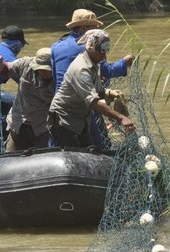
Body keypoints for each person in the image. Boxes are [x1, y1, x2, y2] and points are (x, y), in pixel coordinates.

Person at [51, 9, 134, 149]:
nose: (104, 56)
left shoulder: (57, 46)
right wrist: (121, 117)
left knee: (88, 149)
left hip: (80, 107)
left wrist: (107, 92)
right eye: (94, 26)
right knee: (83, 150)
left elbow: (55, 78)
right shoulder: (83, 62)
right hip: (67, 114)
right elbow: (95, 100)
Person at [0, 48, 54, 150]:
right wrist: (0, 64)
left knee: (44, 159)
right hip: (18, 122)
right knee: (11, 159)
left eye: (47, 70)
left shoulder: (60, 74)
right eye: (41, 69)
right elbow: (7, 68)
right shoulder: (25, 64)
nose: (44, 73)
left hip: (42, 127)